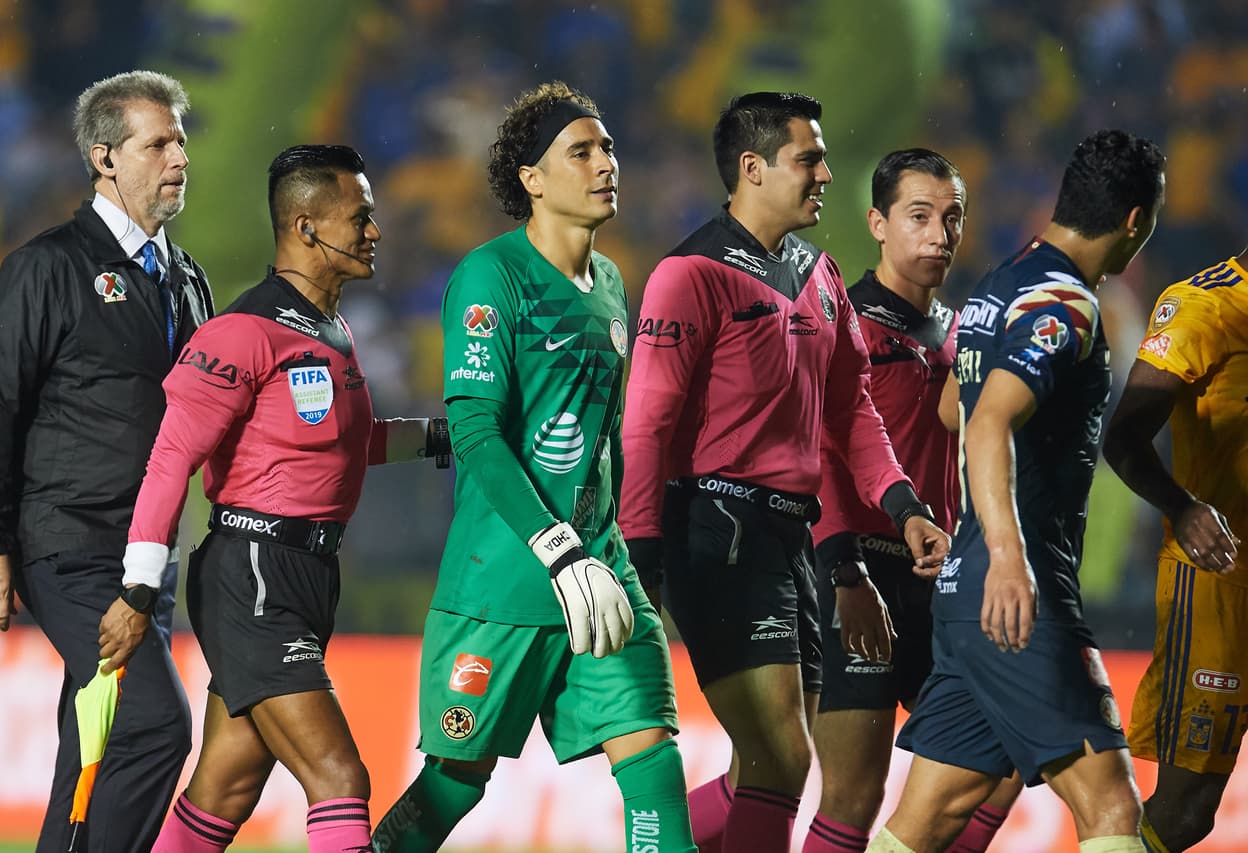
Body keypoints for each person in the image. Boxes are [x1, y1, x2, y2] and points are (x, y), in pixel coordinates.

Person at [619, 92, 950, 853]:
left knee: (760, 768)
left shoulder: (818, 273)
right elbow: (648, 421)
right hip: (717, 528)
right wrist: (640, 550)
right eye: (809, 158)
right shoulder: (690, 274)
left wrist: (903, 505)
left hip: (791, 537)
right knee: (783, 759)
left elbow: (851, 413)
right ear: (752, 168)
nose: (827, 173)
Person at [370, 82, 697, 853]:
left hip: (599, 575)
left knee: (651, 761)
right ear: (532, 178)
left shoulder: (614, 285)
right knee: (455, 780)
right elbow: (475, 429)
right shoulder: (493, 277)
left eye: (608, 147)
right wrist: (556, 547)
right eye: (580, 151)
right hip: (507, 582)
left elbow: (606, 437)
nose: (604, 163)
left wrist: (617, 549)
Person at [95, 144, 450, 852]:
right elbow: (171, 460)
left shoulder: (332, 331)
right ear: (307, 225)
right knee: (340, 775)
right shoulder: (239, 333)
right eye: (362, 217)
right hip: (251, 573)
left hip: (307, 575)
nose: (375, 232)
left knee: (224, 787)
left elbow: (348, 443)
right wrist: (137, 588)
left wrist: (445, 435)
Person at [869, 129, 1166, 853]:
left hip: (967, 600)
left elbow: (954, 406)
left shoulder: (999, 283)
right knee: (1112, 809)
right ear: (1135, 221)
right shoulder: (1067, 305)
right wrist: (1007, 552)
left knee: (927, 820)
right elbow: (988, 419)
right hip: (1019, 593)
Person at [0, 70, 210, 852]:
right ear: (105, 158)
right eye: (159, 142)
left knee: (94, 748)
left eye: (181, 139)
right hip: (69, 544)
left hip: (148, 556)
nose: (179, 156)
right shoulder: (48, 267)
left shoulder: (189, 279)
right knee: (154, 727)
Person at [803, 148, 1021, 853]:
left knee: (1007, 750)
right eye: (919, 216)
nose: (938, 235)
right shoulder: (847, 326)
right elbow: (821, 460)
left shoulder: (966, 334)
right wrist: (843, 574)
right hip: (859, 573)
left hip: (941, 582)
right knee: (854, 795)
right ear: (877, 222)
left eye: (952, 218)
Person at [1102, 251, 1247, 852]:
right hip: (1221, 576)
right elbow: (1126, 438)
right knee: (1188, 811)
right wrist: (1182, 507)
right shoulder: (1203, 306)